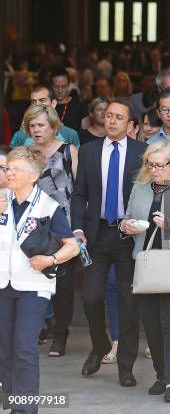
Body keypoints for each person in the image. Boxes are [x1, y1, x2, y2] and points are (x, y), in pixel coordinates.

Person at [71, 99, 146, 386]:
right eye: (109, 115)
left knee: (128, 303)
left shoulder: (142, 153)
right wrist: (77, 228)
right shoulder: (89, 152)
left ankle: (125, 366)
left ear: (130, 125)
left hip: (128, 236)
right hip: (96, 233)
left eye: (119, 117)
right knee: (90, 297)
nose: (112, 121)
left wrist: (141, 223)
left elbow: (152, 192)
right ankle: (100, 344)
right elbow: (79, 194)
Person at [120, 141, 170, 403]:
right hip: (145, 265)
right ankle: (161, 374)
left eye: (159, 165)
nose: (153, 169)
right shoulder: (140, 188)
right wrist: (126, 227)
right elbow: (127, 218)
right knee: (152, 325)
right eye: (150, 164)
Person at [0, 147, 79, 413]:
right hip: (2, 283)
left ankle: (25, 408)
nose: (8, 173)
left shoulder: (49, 206)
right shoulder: (1, 198)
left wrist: (51, 260)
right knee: (4, 347)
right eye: (7, 168)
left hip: (33, 286)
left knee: (23, 346)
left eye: (14, 169)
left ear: (33, 176)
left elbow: (72, 246)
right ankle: (9, 398)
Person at [24, 104, 78, 357]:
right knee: (31, 281)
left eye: (41, 125)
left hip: (62, 226)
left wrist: (78, 227)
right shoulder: (24, 154)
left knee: (63, 286)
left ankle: (61, 334)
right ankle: (36, 330)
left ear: (54, 126)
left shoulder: (68, 151)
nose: (36, 130)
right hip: (32, 228)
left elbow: (79, 191)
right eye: (32, 126)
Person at [11, 86, 80, 149]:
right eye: (33, 102)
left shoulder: (70, 134)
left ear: (53, 103)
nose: (37, 105)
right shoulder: (20, 135)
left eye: (42, 101)